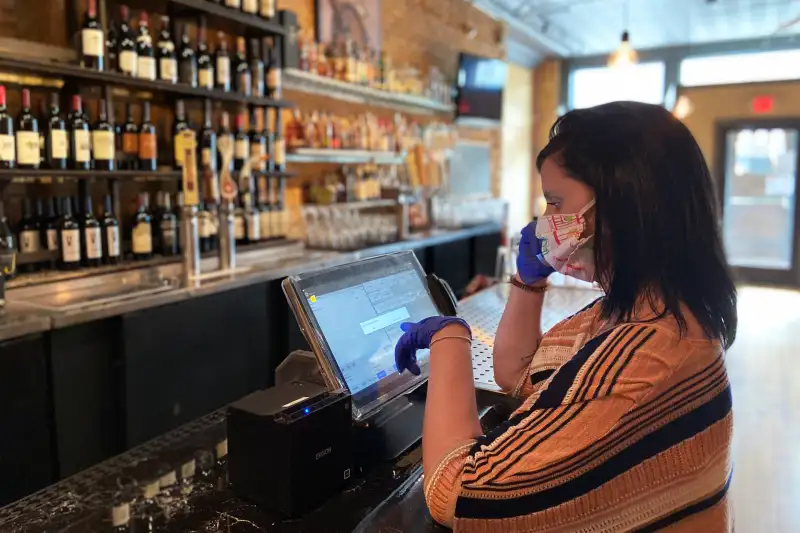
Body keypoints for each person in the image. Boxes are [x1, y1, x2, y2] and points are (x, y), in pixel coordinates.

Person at [394, 101, 737, 532]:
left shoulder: (644, 357)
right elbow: (520, 374)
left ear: (621, 206)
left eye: (556, 203)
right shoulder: (648, 311)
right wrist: (528, 279)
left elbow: (458, 493)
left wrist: (448, 339)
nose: (545, 222)